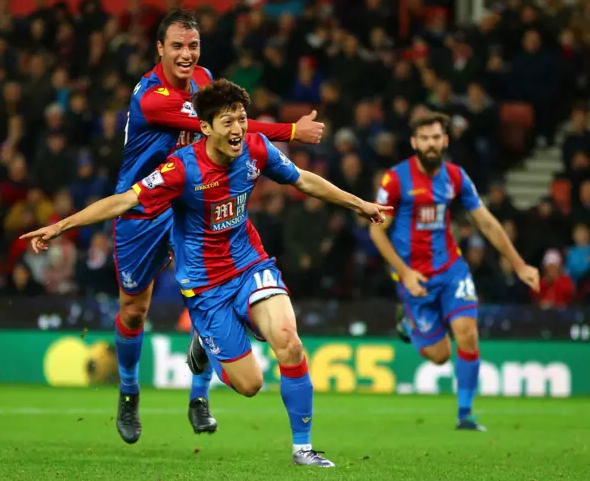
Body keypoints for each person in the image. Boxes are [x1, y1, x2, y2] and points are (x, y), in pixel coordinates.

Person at [21, 79, 391, 466]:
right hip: (205, 286)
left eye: (243, 119)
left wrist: (358, 204)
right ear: (206, 127)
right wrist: (60, 226)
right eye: (227, 121)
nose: (238, 129)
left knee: (290, 342)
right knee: (250, 385)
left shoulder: (256, 148)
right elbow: (125, 200)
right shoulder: (181, 169)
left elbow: (303, 179)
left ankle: (303, 449)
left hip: (250, 264)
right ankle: (203, 346)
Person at [113, 9, 325, 442]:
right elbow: (226, 127)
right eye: (177, 46)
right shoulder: (152, 97)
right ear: (159, 49)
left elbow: (230, 123)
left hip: (194, 198)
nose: (187, 54)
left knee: (212, 284)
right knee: (134, 310)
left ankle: (199, 392)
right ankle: (129, 392)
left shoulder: (204, 78)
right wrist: (290, 131)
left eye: (193, 46)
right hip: (145, 207)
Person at [370, 112, 540, 431]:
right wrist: (404, 273)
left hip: (451, 269)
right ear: (414, 142)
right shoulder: (395, 179)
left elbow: (486, 221)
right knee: (439, 356)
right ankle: (408, 321)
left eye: (436, 137)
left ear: (445, 140)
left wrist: (519, 265)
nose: (431, 144)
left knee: (467, 332)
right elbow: (377, 231)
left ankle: (465, 414)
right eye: (424, 138)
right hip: (413, 276)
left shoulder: (455, 177)